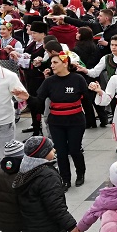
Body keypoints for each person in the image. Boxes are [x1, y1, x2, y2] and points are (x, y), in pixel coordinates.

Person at [36, 53, 88, 190]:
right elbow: (38, 99)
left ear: (65, 63)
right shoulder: (49, 81)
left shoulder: (78, 79)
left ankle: (80, 173)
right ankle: (65, 179)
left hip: (76, 120)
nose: (51, 65)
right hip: (56, 121)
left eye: (55, 62)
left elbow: (87, 99)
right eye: (51, 63)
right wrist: (25, 97)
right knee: (61, 151)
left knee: (75, 149)